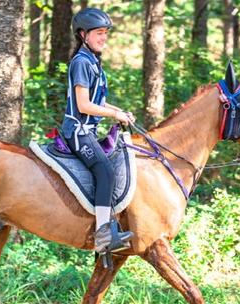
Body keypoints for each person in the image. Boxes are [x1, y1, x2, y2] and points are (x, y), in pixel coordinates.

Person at [61, 8, 135, 254]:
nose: (104, 38)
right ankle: (103, 233)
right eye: (99, 33)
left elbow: (98, 102)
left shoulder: (93, 62)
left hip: (88, 131)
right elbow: (83, 105)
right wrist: (115, 115)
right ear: (83, 35)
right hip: (77, 132)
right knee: (106, 171)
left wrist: (121, 111)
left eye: (106, 33)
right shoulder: (82, 62)